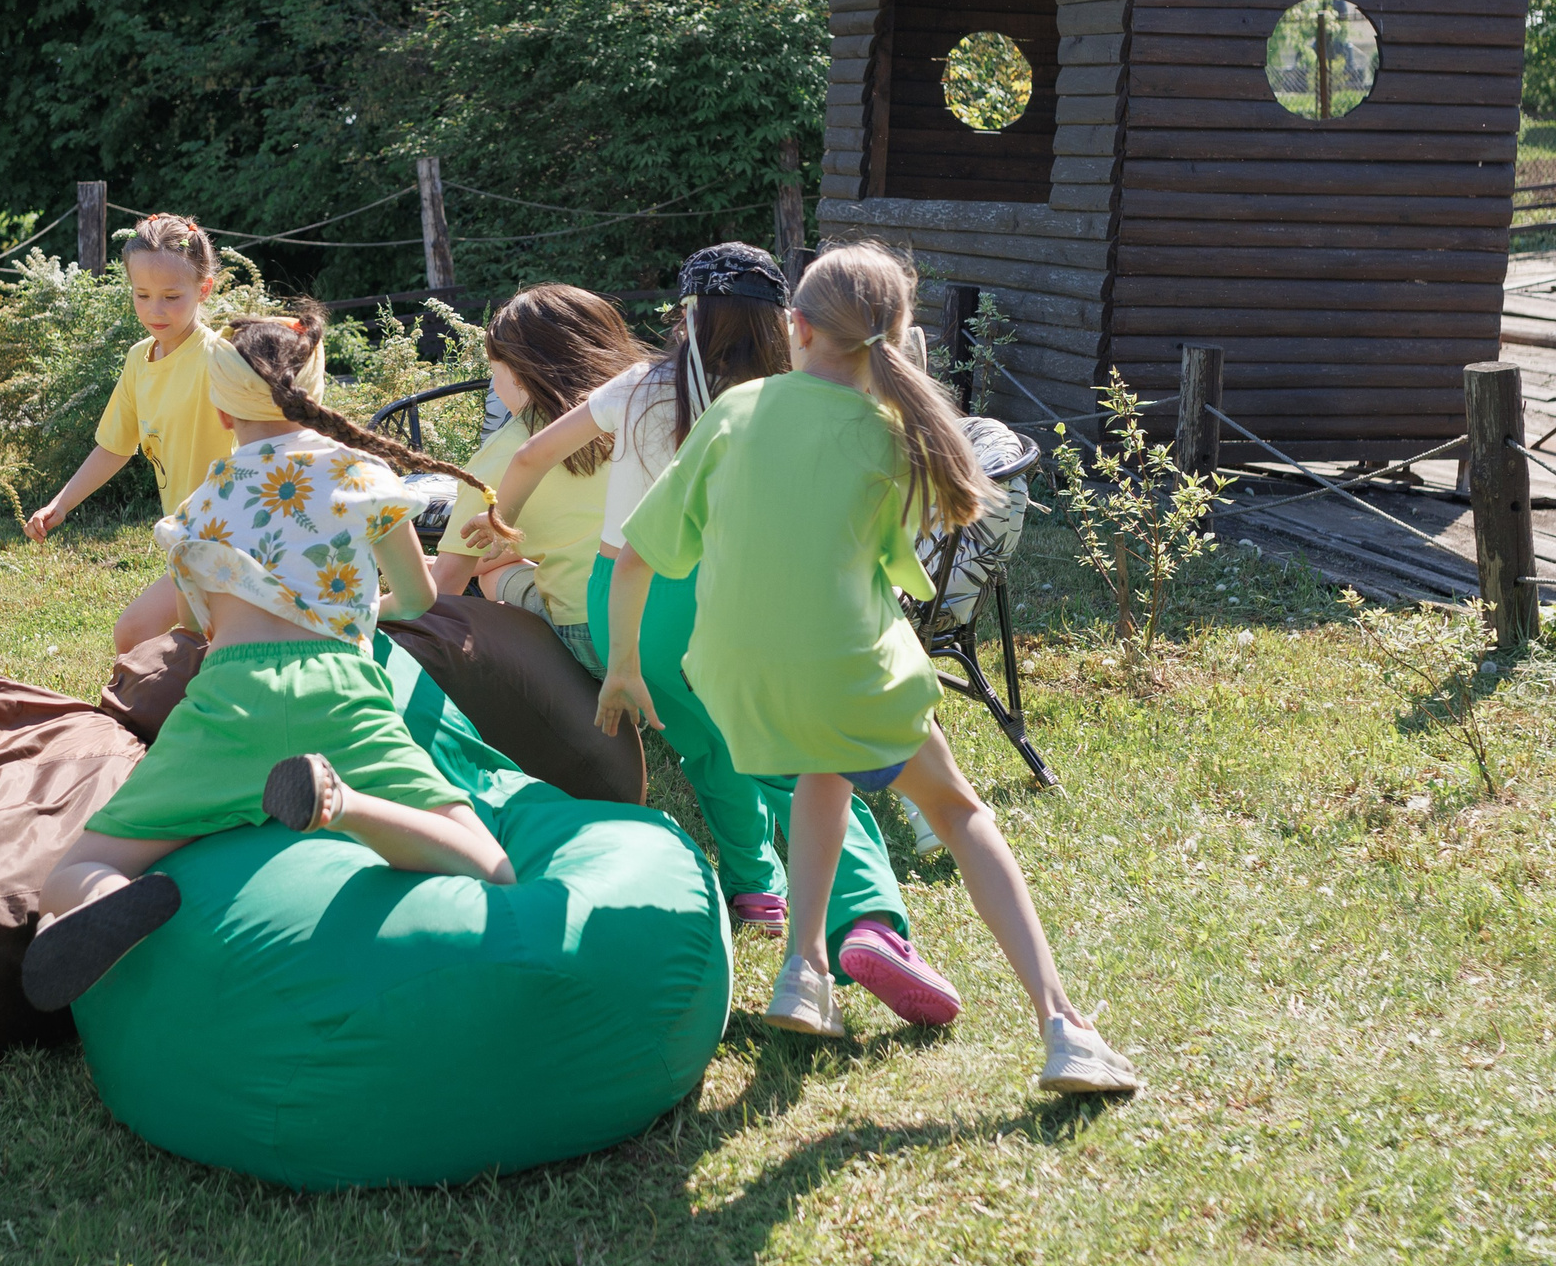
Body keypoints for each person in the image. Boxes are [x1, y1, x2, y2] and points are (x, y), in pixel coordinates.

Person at [600, 241, 1138, 1093]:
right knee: (960, 812)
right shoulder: (896, 436)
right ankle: (1065, 1026)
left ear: (796, 326)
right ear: (900, 336)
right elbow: (897, 564)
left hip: (734, 679)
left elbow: (635, 559)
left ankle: (805, 972)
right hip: (847, 668)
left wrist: (622, 668)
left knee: (826, 765)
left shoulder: (734, 415)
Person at [461, 245, 958, 1026]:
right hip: (737, 595)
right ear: (786, 323)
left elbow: (528, 455)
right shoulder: (780, 399)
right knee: (804, 767)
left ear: (686, 316)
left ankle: (756, 883)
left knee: (707, 747)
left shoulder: (642, 384)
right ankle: (865, 919)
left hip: (626, 600)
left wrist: (500, 525)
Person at [19, 304, 518, 1011]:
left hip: (229, 699)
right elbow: (415, 599)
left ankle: (110, 899)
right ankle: (344, 804)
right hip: (342, 694)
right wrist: (362, 607)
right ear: (315, 392)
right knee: (490, 864)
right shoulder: (362, 475)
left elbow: (197, 628)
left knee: (79, 866)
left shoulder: (201, 504)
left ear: (222, 412)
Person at [21, 213, 236, 654]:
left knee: (173, 642)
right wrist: (60, 505)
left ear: (205, 288)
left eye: (172, 296)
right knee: (143, 637)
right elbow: (114, 446)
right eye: (142, 295)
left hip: (232, 536)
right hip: (188, 542)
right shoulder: (140, 359)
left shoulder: (223, 357)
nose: (155, 310)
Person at [431, 284, 645, 678]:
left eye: (494, 371)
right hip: (674, 620)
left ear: (520, 375)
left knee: (492, 573)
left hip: (594, 634)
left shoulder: (506, 451)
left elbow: (444, 585)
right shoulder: (646, 413)